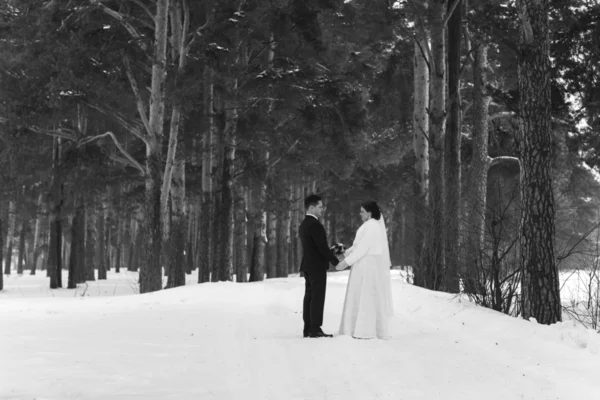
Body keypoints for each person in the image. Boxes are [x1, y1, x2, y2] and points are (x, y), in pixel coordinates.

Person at [335, 201, 394, 339]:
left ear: (370, 212)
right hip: (362, 265)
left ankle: (365, 330)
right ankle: (356, 328)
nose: (359, 214)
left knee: (365, 295)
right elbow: (358, 245)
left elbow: (363, 248)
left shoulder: (372, 226)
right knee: (360, 295)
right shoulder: (369, 225)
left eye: (362, 211)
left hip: (366, 267)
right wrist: (346, 253)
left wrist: (345, 262)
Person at [299, 194, 341, 338]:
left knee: (309, 297)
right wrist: (337, 262)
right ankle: (315, 329)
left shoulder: (304, 223)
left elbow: (316, 247)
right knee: (317, 297)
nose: (322, 209)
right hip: (316, 266)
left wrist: (331, 250)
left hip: (308, 265)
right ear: (311, 207)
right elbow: (322, 248)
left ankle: (308, 328)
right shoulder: (315, 224)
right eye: (320, 206)